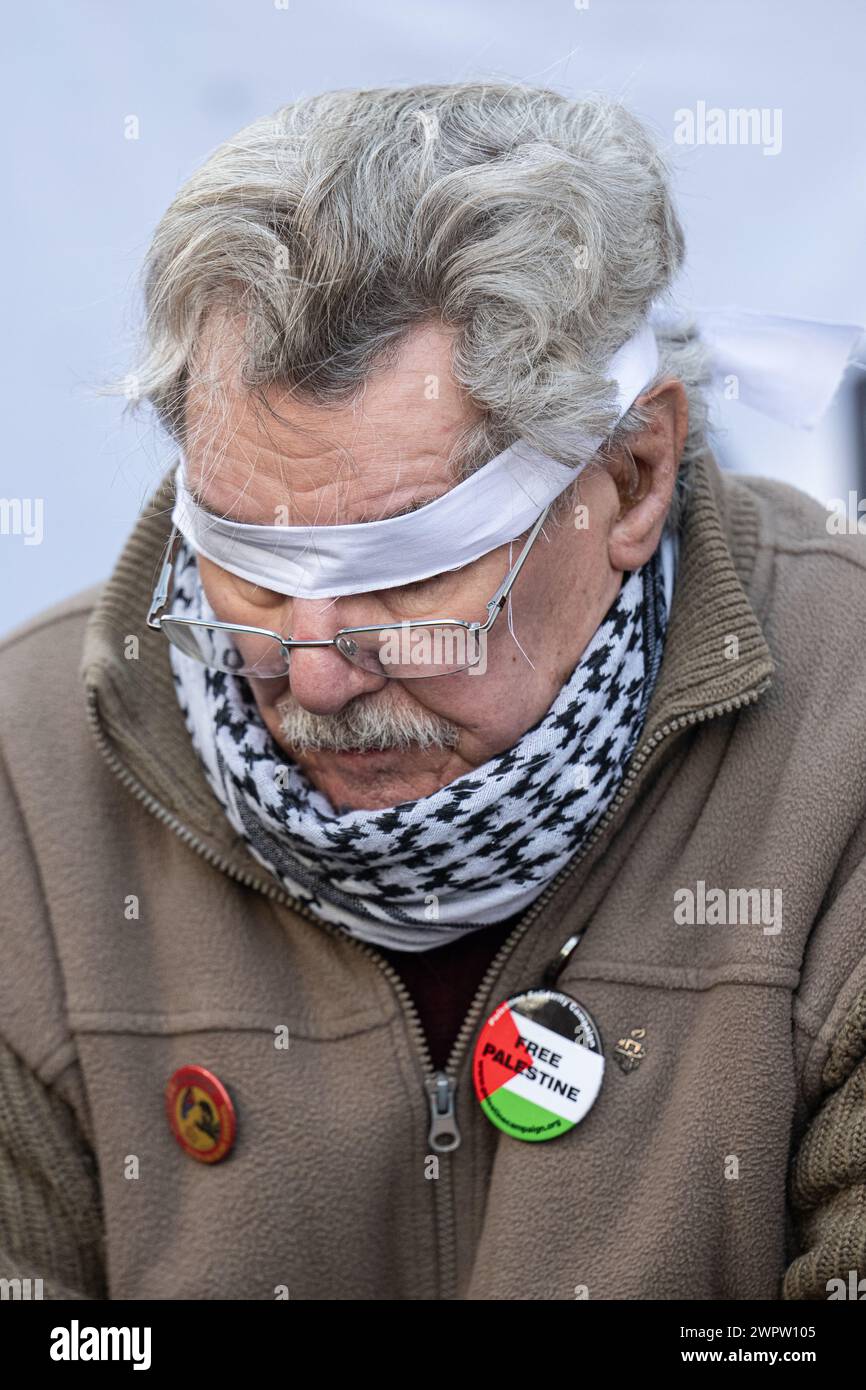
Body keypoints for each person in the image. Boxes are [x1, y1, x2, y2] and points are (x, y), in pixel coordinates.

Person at [1, 80, 865, 1302]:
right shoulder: (26, 778)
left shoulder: (848, 738)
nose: (309, 672)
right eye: (244, 567)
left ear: (629, 477)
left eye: (402, 574)